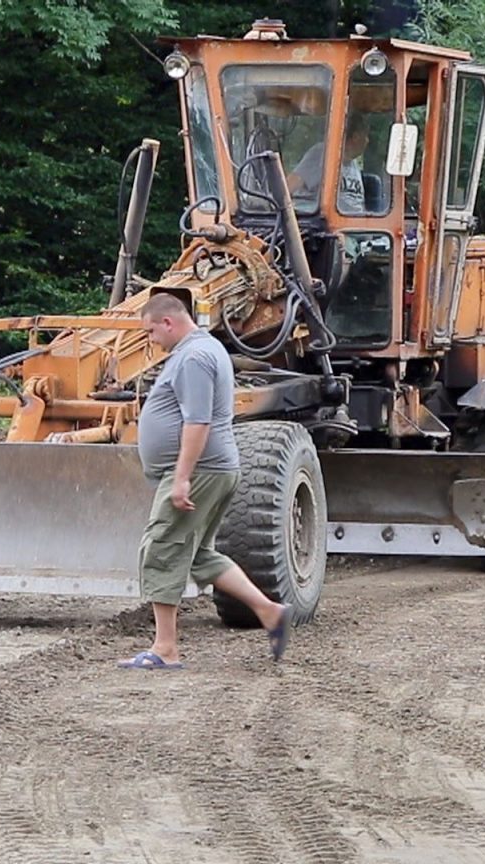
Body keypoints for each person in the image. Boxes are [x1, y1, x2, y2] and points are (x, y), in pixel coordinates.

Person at [118, 292, 289, 670]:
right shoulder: (202, 350)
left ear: (168, 322)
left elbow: (198, 421)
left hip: (199, 471)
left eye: (150, 332)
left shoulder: (194, 357)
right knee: (197, 555)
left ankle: (165, 649)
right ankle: (270, 610)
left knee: (161, 549)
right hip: (213, 469)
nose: (151, 340)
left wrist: (181, 478)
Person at [287, 113, 371, 214]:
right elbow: (289, 186)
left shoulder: (354, 164)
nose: (367, 141)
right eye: (366, 136)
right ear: (355, 137)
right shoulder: (321, 154)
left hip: (355, 224)